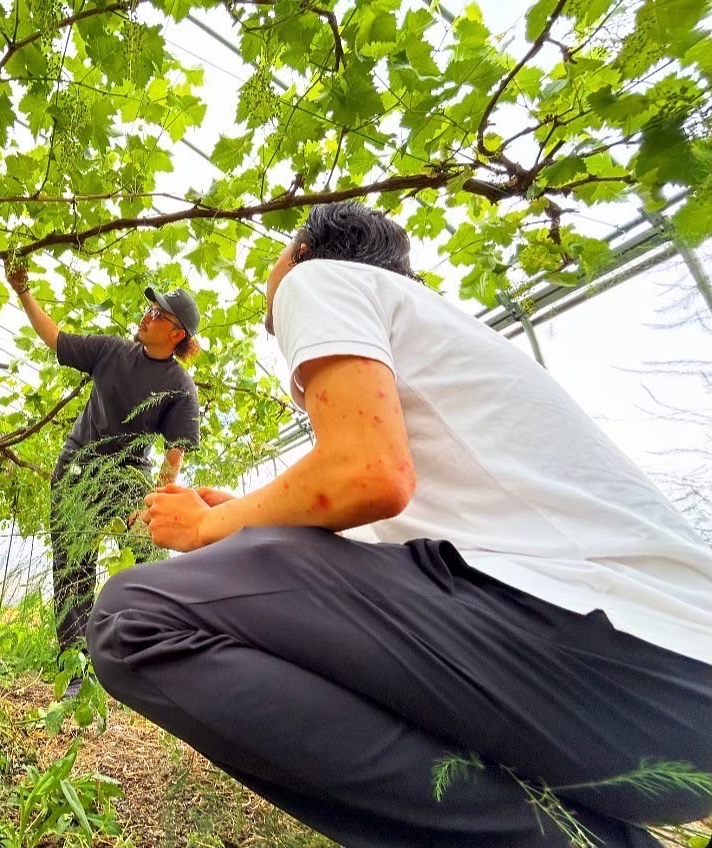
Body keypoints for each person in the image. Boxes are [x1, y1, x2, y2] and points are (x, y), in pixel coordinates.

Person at [87, 202, 712, 847]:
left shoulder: (318, 279)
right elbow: (373, 534)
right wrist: (244, 518)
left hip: (612, 658)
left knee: (132, 616)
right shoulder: (436, 344)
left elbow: (368, 474)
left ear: (303, 250)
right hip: (669, 714)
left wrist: (206, 528)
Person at [5, 260, 201, 699]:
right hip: (77, 471)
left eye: (158, 314)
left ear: (177, 335)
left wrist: (150, 507)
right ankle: (76, 669)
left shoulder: (180, 387)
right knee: (72, 566)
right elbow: (56, 340)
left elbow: (173, 457)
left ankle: (146, 658)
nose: (147, 315)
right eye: (149, 308)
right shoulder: (112, 351)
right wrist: (22, 291)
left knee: (148, 559)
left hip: (127, 479)